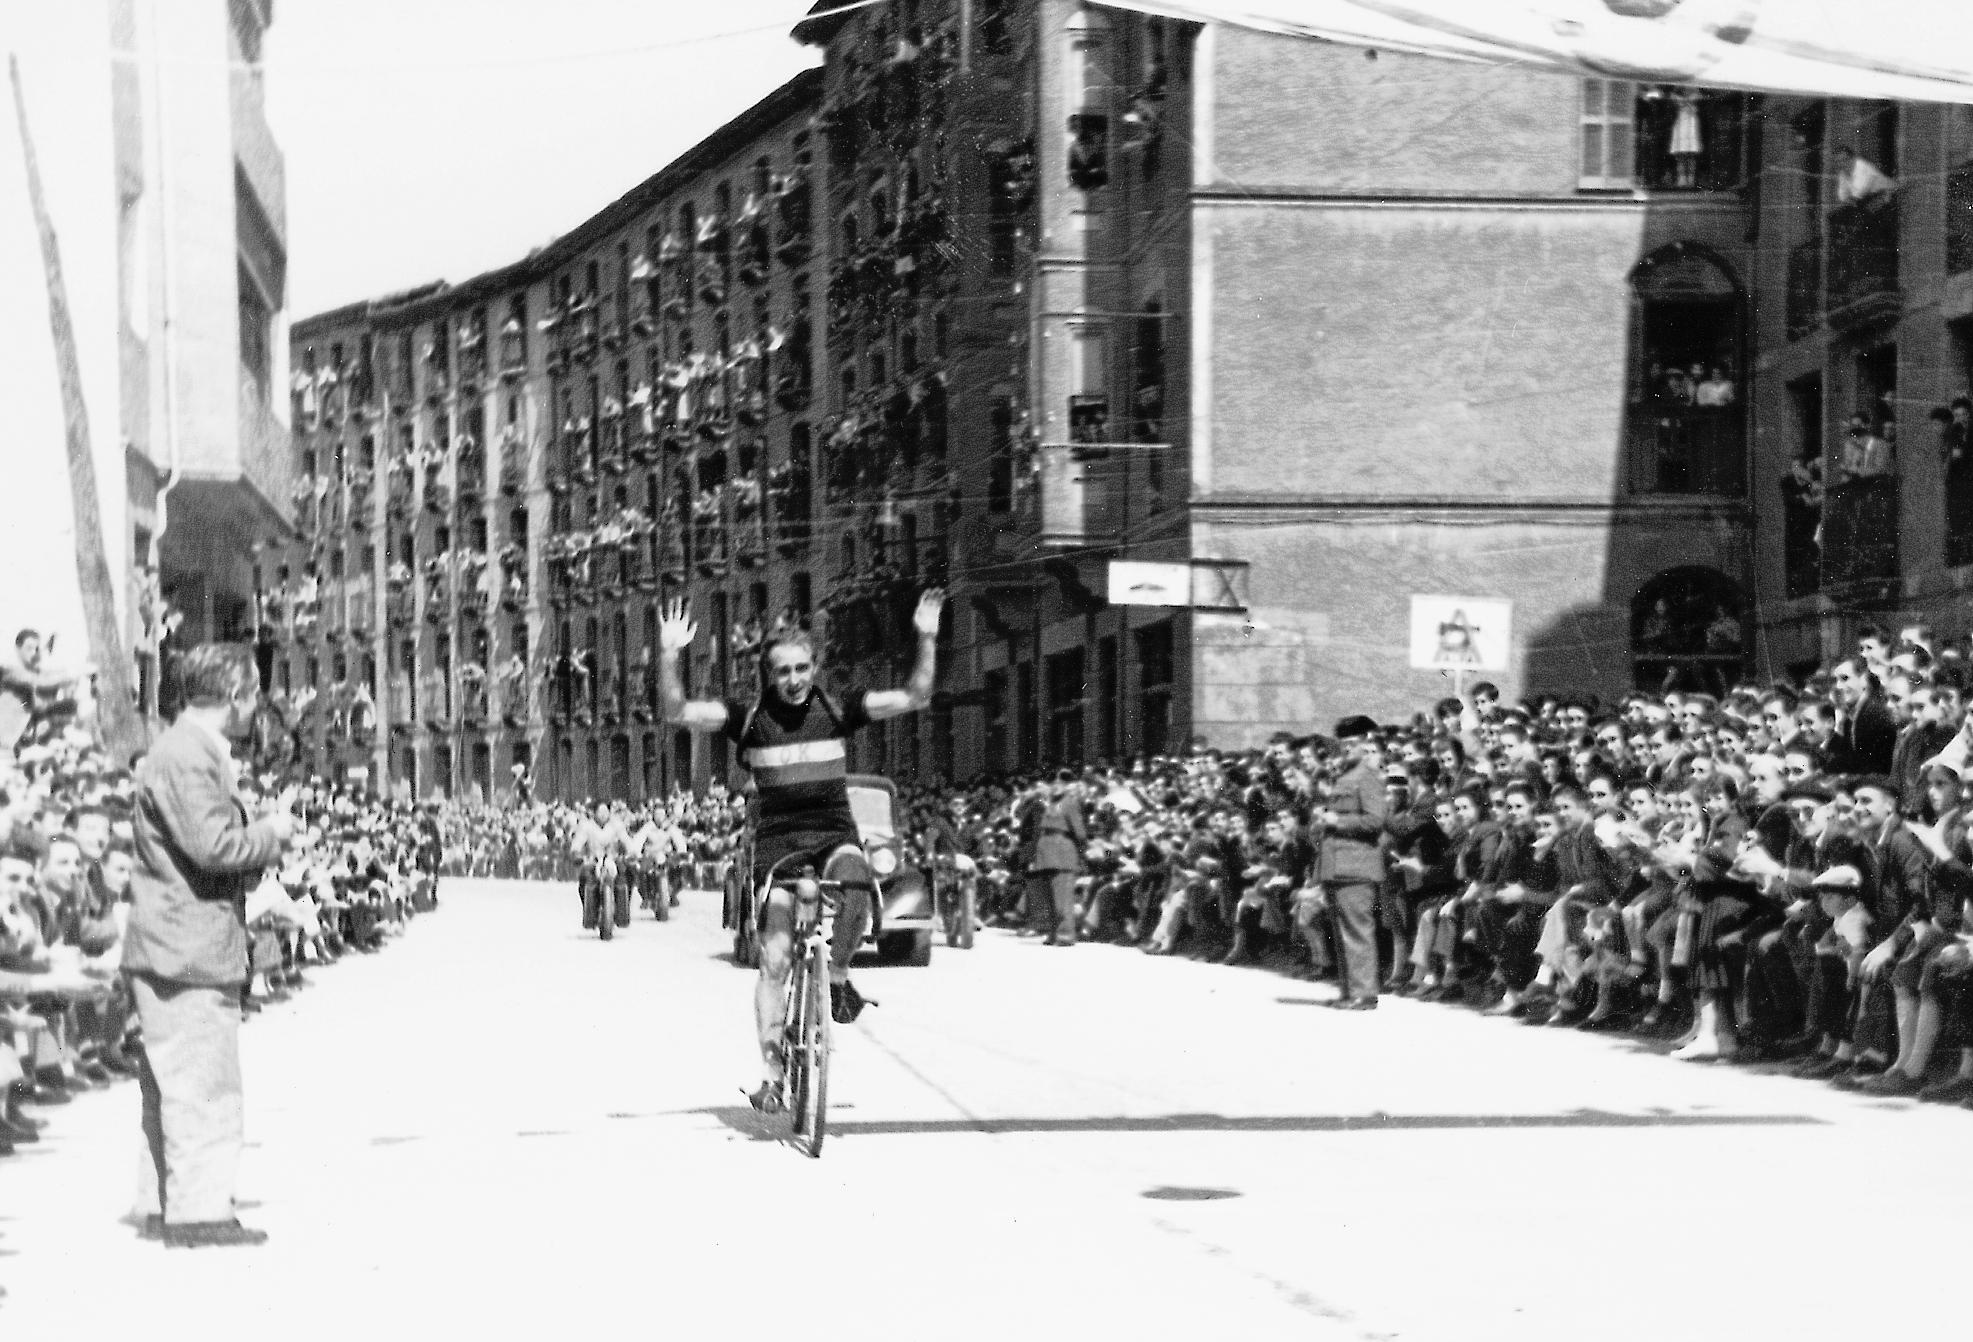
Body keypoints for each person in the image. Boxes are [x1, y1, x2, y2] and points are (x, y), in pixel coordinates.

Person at [656, 589, 945, 1115]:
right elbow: (676, 710)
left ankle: (836, 975)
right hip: (779, 844)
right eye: (783, 671)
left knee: (858, 887)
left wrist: (926, 635)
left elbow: (917, 695)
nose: (793, 679)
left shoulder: (837, 708)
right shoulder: (748, 718)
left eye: (802, 668)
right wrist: (670, 652)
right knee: (774, 959)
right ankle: (771, 1073)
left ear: (815, 668)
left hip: (834, 833)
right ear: (768, 675)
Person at [122, 642, 295, 1249]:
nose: (256, 706)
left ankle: (166, 1204)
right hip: (188, 947)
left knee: (171, 1086)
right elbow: (214, 847)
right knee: (204, 1086)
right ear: (235, 696)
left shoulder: (180, 749)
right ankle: (198, 1213)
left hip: (172, 943)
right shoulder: (188, 754)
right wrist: (271, 832)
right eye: (254, 694)